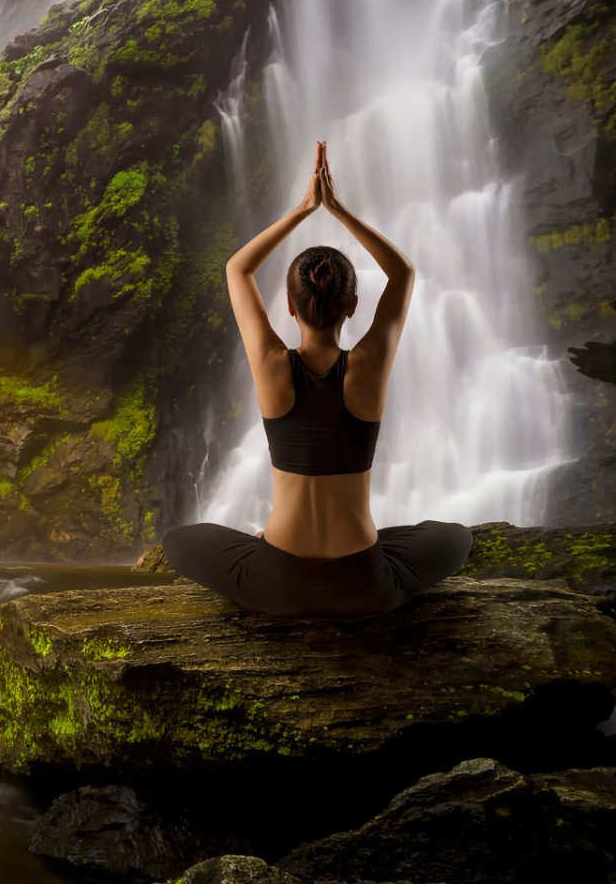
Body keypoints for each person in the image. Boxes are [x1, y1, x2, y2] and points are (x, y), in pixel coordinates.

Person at [161, 140, 472, 617]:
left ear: (289, 306)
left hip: (276, 583)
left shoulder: (271, 364)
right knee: (455, 537)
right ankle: (373, 545)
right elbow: (403, 273)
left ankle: (278, 543)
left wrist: (306, 208)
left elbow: (237, 268)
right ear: (352, 306)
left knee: (180, 540)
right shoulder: (367, 366)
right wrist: (339, 210)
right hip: (364, 585)